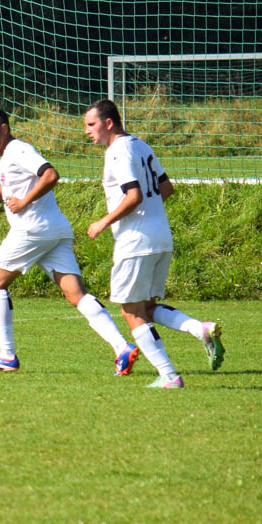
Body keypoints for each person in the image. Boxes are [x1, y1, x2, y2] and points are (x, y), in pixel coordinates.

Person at [0, 107, 137, 374]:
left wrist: (24, 202)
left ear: (4, 128)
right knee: (76, 294)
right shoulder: (9, 155)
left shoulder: (18, 150)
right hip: (55, 230)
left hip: (32, 230)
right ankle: (122, 348)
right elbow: (8, 186)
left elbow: (51, 175)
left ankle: (7, 355)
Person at [82, 98, 223, 388]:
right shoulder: (141, 145)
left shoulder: (117, 151)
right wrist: (152, 215)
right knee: (146, 308)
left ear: (108, 123)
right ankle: (200, 329)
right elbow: (166, 188)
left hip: (135, 241)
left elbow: (133, 196)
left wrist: (103, 222)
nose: (87, 131)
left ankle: (168, 375)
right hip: (161, 237)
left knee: (130, 312)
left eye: (91, 124)